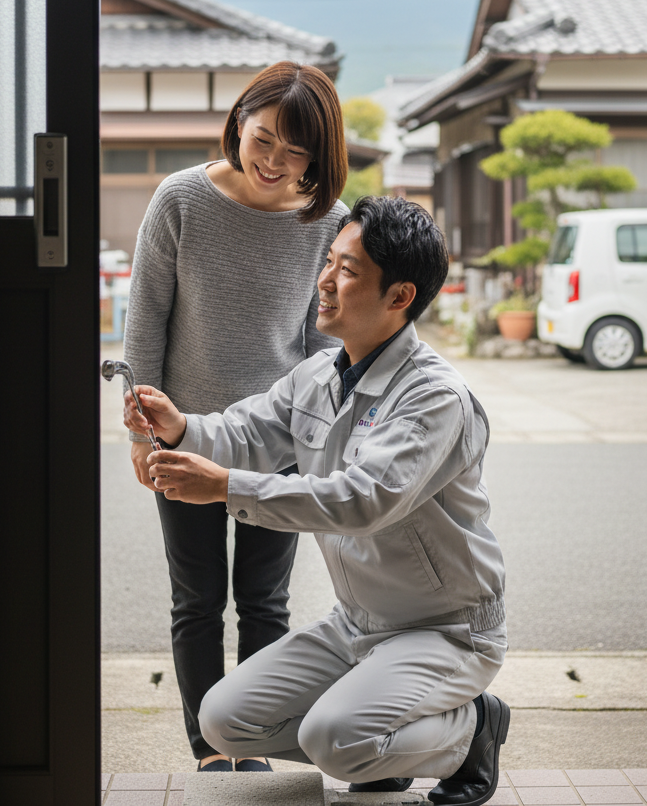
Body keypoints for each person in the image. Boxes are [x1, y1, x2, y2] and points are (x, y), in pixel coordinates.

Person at [124, 196, 509, 806]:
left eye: (348, 270)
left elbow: (362, 501)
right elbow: (246, 432)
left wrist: (225, 487)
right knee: (222, 721)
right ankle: (380, 743)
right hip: (356, 624)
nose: (324, 280)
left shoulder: (433, 398)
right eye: (329, 261)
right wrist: (179, 428)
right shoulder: (321, 374)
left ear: (400, 296)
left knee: (333, 740)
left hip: (445, 629)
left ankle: (473, 729)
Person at [121, 61, 349, 771]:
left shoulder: (327, 222)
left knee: (265, 601)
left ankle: (248, 739)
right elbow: (145, 318)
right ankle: (208, 748)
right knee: (196, 599)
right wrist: (138, 429)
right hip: (182, 435)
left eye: (296, 151)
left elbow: (320, 346)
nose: (275, 162)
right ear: (237, 124)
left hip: (276, 446)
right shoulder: (181, 198)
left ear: (319, 156)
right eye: (263, 138)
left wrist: (317, 444)